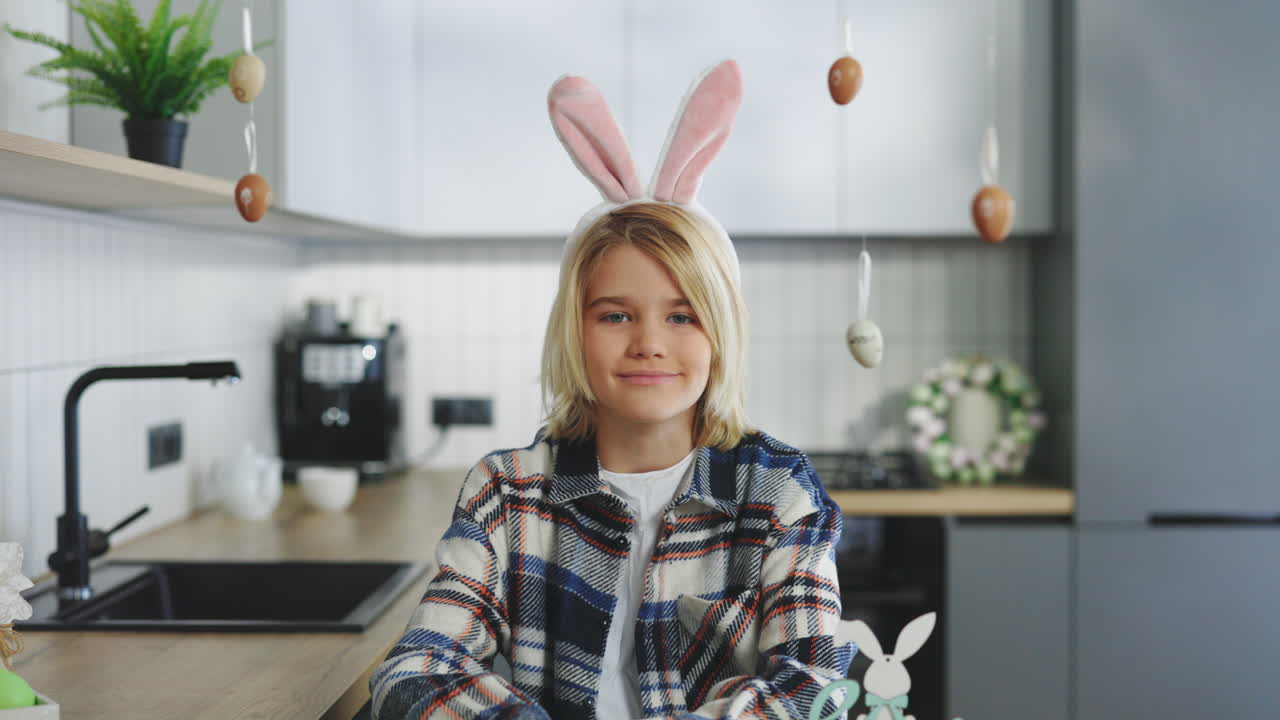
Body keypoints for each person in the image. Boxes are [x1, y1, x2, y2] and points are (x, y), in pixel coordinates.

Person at [370, 60, 853, 720]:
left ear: (721, 335)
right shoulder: (506, 494)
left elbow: (812, 684)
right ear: (575, 329)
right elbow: (416, 670)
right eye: (616, 315)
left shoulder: (780, 494)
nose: (649, 342)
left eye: (682, 316)